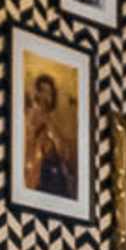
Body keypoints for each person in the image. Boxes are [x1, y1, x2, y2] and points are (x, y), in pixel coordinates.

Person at [26, 67, 76, 203]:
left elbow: (64, 153)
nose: (45, 97)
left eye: (48, 92)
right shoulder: (29, 118)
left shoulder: (53, 123)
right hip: (37, 178)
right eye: (42, 91)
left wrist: (50, 127)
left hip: (56, 178)